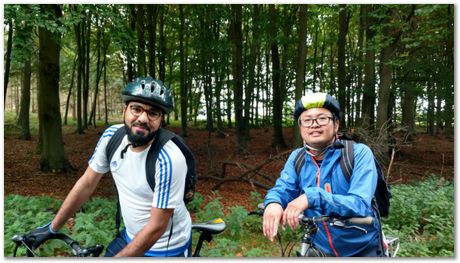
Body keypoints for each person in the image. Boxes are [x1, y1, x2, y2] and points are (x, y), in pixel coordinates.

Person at [26, 77, 192, 257]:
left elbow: (157, 227)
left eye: (153, 113)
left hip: (166, 248)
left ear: (161, 120)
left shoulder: (169, 158)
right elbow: (87, 183)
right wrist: (52, 228)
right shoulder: (111, 137)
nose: (143, 118)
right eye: (136, 109)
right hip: (130, 236)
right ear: (125, 110)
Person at [263, 92, 382, 257]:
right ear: (300, 127)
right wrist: (274, 203)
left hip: (362, 250)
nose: (314, 124)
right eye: (307, 120)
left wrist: (312, 197)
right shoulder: (297, 158)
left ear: (336, 124)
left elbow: (360, 203)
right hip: (319, 249)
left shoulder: (358, 154)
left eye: (322, 118)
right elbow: (284, 188)